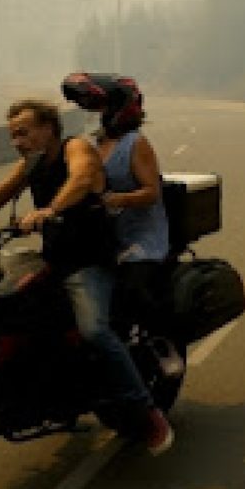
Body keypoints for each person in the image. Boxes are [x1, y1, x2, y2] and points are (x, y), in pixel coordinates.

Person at [0, 98, 174, 455]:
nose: (18, 142)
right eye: (13, 136)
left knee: (94, 330)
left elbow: (83, 178)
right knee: (3, 308)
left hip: (89, 263)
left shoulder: (76, 148)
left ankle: (147, 411)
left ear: (48, 129)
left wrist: (50, 210)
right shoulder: (32, 164)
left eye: (23, 133)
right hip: (53, 262)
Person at [93, 79, 181, 373]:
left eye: (106, 106)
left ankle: (161, 341)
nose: (101, 112)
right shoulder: (97, 144)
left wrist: (116, 199)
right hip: (108, 235)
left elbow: (151, 191)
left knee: (129, 288)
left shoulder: (136, 143)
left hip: (143, 236)